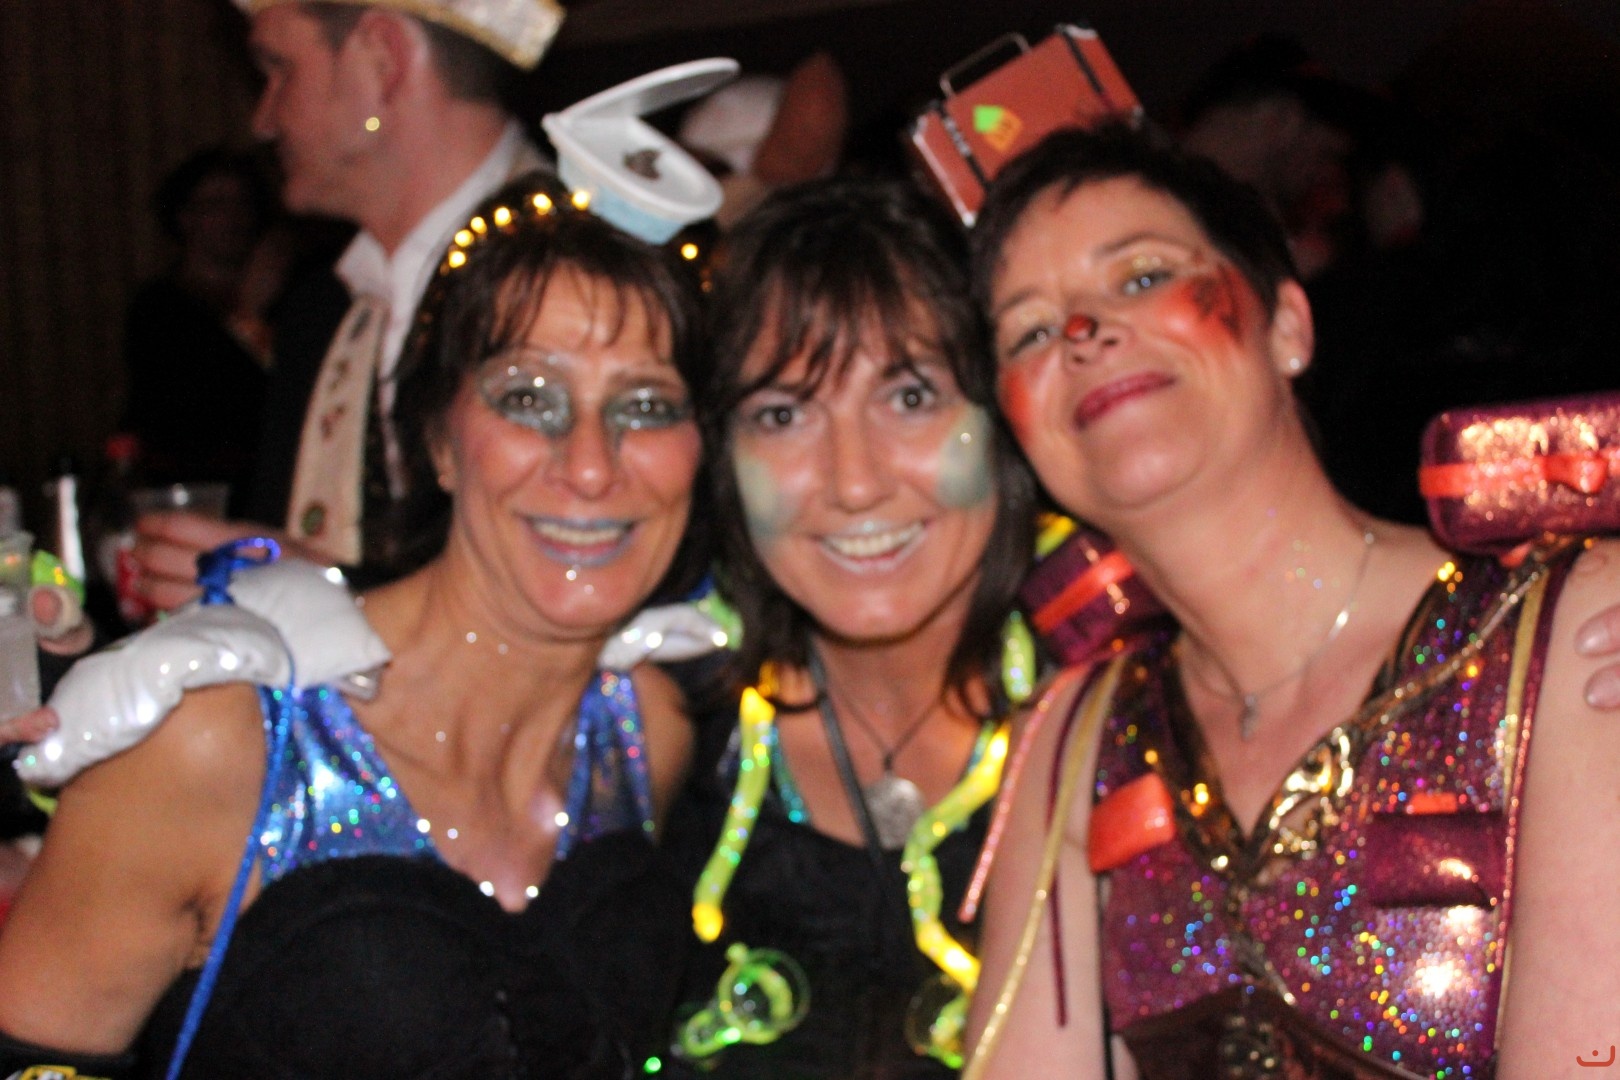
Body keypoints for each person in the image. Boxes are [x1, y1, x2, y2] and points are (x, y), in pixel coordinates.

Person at [0, 173, 705, 1078]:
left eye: (646, 405)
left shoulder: (647, 727)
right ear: (438, 439)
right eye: (529, 398)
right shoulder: (217, 743)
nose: (593, 466)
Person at [962, 123, 1620, 1078]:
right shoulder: (1075, 739)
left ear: (1287, 326)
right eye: (1029, 330)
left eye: (1142, 276)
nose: (1082, 332)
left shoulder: (1558, 634)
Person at [662, 175, 1036, 1080]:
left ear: (1002, 418)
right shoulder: (661, 732)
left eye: (910, 397)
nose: (855, 481)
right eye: (783, 414)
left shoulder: (1118, 731)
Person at [131, 0, 562, 610]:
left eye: (279, 70)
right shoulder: (324, 310)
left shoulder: (590, 290)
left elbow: (576, 595)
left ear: (382, 59)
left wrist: (326, 593)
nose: (263, 119)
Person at [121, 147, 282, 496]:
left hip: (267, 485)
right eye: (216, 204)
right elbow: (191, 411)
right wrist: (246, 315)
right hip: (191, 489)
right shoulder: (159, 307)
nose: (233, 217)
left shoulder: (287, 297)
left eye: (242, 203)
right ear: (185, 218)